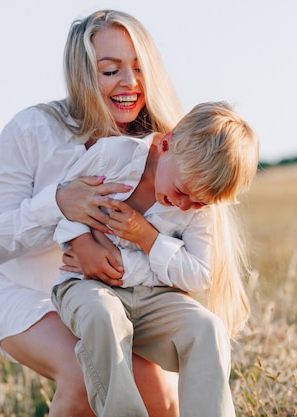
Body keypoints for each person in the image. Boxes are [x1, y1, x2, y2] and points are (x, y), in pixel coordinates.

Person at [0, 9, 187, 416]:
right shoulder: (31, 130)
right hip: (28, 292)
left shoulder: (160, 143)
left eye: (139, 68)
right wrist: (58, 202)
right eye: (111, 71)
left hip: (119, 292)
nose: (129, 83)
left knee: (158, 390)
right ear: (83, 74)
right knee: (84, 373)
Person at [51, 101, 260, 417]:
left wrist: (147, 238)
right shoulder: (112, 157)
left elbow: (199, 274)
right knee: (103, 315)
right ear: (166, 145)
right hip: (87, 285)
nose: (185, 205)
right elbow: (66, 205)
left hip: (155, 299)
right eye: (182, 191)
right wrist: (82, 244)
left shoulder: (198, 210)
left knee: (208, 329)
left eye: (199, 203)